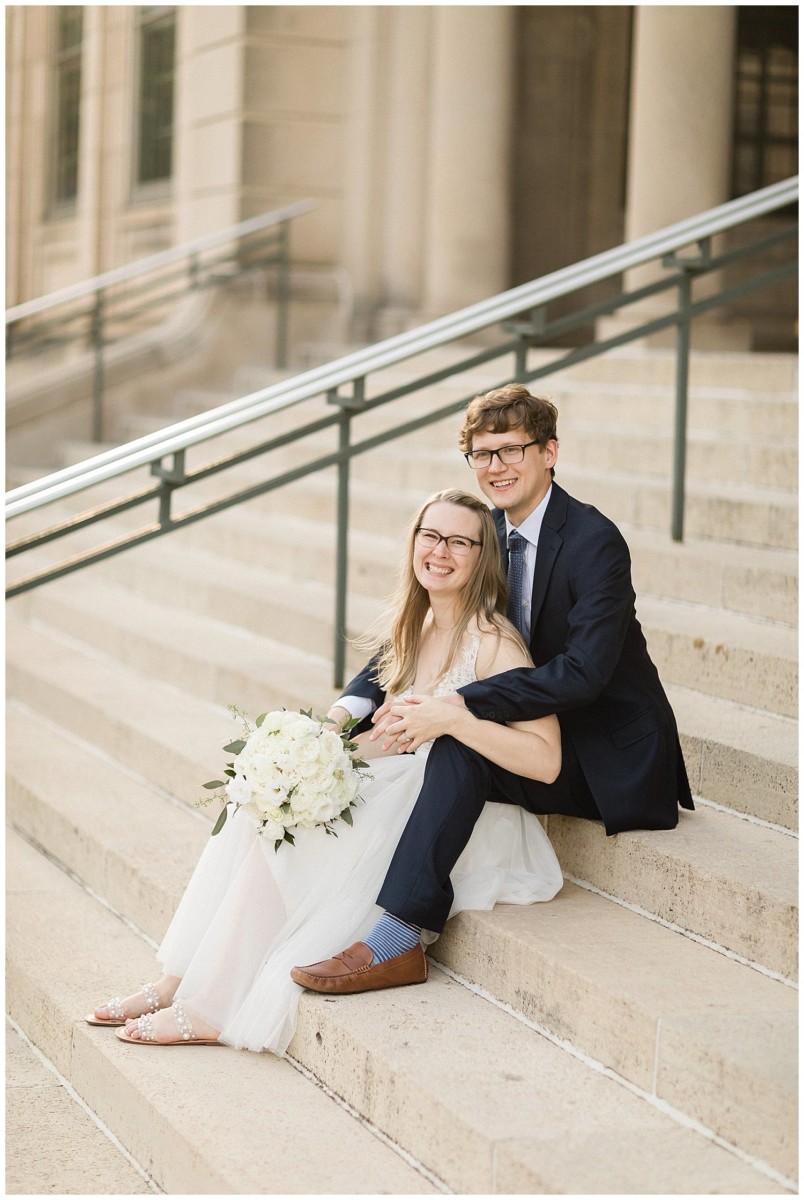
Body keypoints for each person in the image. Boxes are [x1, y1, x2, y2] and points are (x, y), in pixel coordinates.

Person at [86, 488, 563, 1050]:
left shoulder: (493, 641)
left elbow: (546, 759)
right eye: (431, 536)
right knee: (257, 811)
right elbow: (383, 726)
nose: (441, 551)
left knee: (291, 840)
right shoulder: (415, 624)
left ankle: (213, 1006)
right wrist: (309, 759)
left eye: (461, 541)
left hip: (452, 814)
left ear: (483, 556)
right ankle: (177, 980)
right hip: (396, 779)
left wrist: (451, 721)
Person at [294, 383, 693, 996]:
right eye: (482, 454)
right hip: (522, 729)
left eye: (512, 451)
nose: (496, 468)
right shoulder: (483, 536)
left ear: (550, 452)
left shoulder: (594, 542)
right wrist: (351, 709)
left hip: (602, 749)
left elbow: (583, 674)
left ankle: (399, 939)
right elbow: (424, 625)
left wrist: (458, 703)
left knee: (457, 739)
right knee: (427, 741)